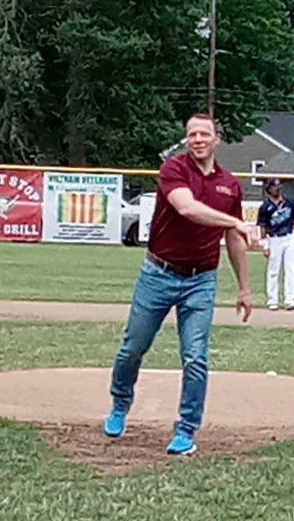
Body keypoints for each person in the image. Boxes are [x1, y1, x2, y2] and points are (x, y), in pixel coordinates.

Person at [103, 113, 259, 456]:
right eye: (192, 134)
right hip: (158, 274)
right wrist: (236, 220)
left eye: (205, 134)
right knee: (133, 347)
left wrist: (244, 288)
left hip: (200, 281)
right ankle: (120, 403)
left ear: (217, 139)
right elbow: (187, 209)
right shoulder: (173, 169)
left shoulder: (229, 185)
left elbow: (234, 239)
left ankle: (186, 429)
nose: (198, 139)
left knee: (195, 357)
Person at [256, 178, 294, 310]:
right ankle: (272, 300)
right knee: (273, 271)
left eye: (279, 187)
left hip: (289, 238)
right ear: (269, 189)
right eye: (275, 187)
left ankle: (290, 299)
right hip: (274, 239)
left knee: (290, 269)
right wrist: (265, 245)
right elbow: (263, 227)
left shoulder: (289, 202)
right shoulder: (265, 207)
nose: (278, 189)